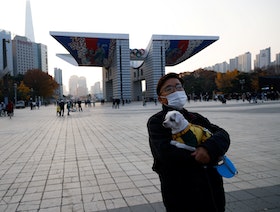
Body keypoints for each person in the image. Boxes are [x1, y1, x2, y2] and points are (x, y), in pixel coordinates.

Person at [147, 73, 230, 212]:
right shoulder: (158, 122)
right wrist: (201, 154)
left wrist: (207, 149)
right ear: (161, 99)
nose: (176, 91)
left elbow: (222, 134)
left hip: (212, 191)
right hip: (182, 194)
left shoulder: (196, 117)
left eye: (178, 87)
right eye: (169, 89)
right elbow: (165, 153)